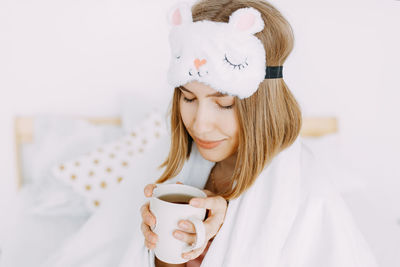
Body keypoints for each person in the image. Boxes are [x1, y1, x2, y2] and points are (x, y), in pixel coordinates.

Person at [41, 0, 378, 267]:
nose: (200, 125)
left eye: (224, 104)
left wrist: (231, 226)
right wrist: (163, 248)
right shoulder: (174, 161)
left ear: (261, 104)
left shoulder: (306, 196)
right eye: (188, 98)